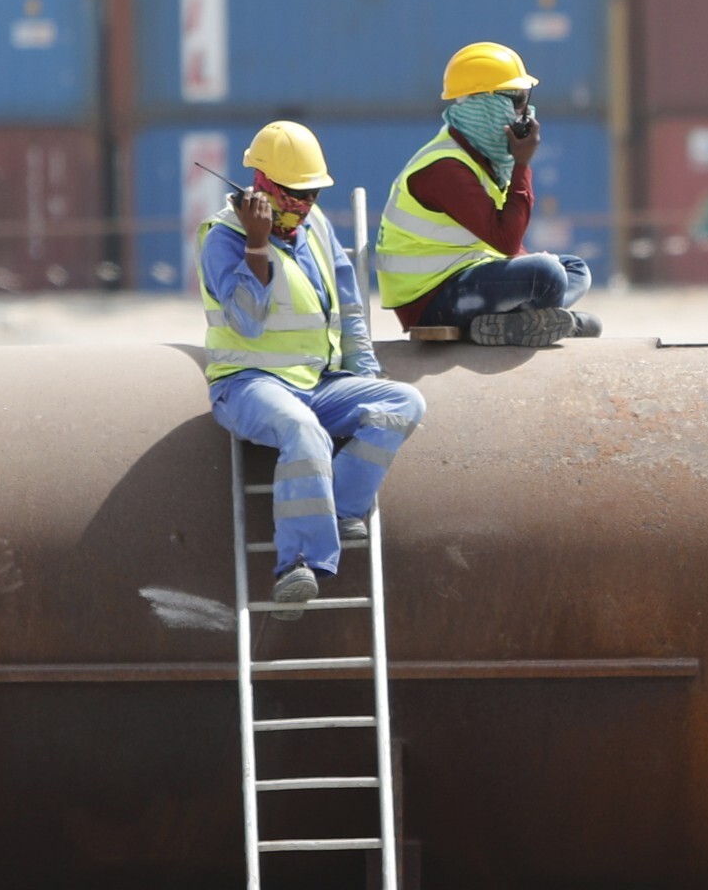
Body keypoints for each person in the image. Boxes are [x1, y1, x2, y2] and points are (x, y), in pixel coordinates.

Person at [200, 120, 425, 618]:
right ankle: (296, 564)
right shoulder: (223, 238)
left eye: (312, 194)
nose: (303, 205)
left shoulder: (314, 227)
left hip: (317, 381)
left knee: (403, 403)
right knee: (302, 430)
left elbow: (348, 307)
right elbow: (246, 322)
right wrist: (257, 246)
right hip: (248, 383)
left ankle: (340, 510)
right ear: (262, 187)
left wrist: (365, 373)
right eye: (294, 194)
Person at [377, 41, 600, 349]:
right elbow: (505, 241)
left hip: (466, 275)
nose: (527, 113)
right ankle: (547, 322)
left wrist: (526, 259)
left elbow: (505, 246)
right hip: (430, 299)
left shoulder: (481, 158)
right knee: (547, 275)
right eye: (519, 100)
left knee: (574, 268)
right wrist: (523, 163)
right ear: (485, 104)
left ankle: (516, 323)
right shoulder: (444, 168)